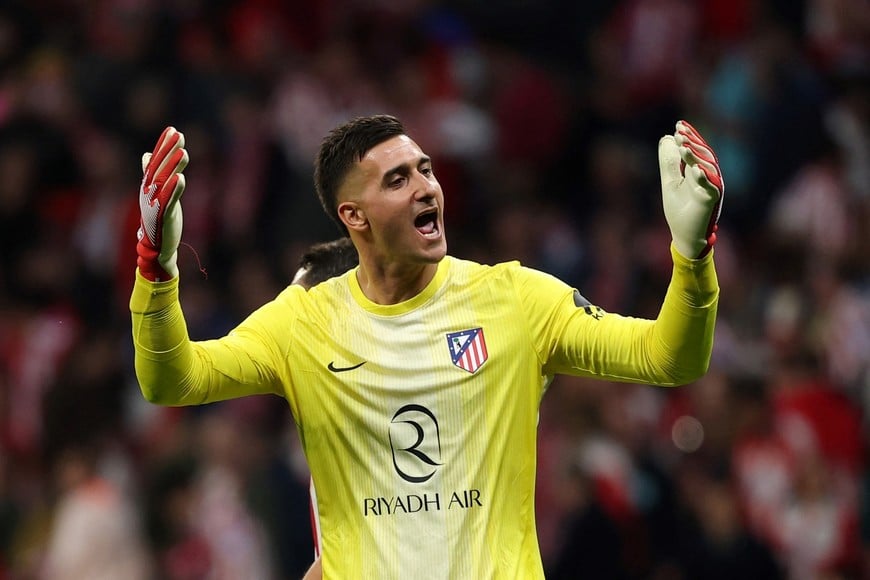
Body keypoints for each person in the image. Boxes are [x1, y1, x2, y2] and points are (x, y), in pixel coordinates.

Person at [131, 115, 723, 578]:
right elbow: (174, 380)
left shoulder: (514, 299)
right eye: (398, 179)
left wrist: (692, 259)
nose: (425, 188)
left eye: (425, 169)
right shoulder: (304, 321)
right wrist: (156, 271)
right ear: (353, 216)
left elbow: (668, 358)